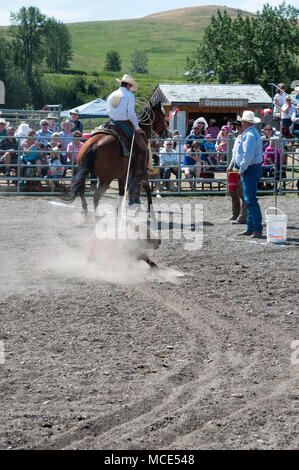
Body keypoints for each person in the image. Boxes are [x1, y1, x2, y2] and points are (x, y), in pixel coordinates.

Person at [106, 73, 147, 182]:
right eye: (131, 86)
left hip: (112, 123)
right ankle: (139, 172)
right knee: (142, 147)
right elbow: (131, 115)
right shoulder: (129, 95)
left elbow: (108, 111)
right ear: (128, 85)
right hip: (124, 123)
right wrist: (137, 128)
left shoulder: (111, 94)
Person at [229, 110, 263, 238]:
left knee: (251, 200)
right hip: (252, 168)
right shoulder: (251, 133)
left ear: (245, 122)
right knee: (249, 200)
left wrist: (241, 169)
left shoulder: (249, 135)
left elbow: (247, 155)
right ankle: (251, 227)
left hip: (250, 169)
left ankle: (256, 229)